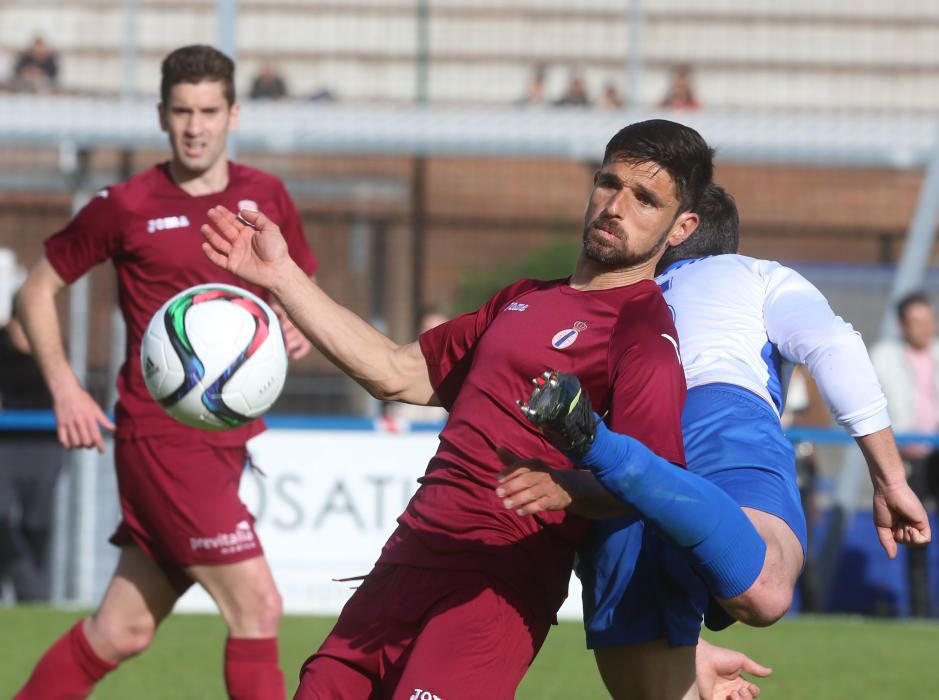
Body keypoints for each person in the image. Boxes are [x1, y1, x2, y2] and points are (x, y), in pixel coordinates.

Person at [198, 118, 757, 698]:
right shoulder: (522, 299)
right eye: (609, 183)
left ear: (681, 226)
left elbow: (654, 481)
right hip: (408, 557)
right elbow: (395, 371)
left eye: (645, 199)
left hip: (494, 585)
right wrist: (281, 276)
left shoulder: (643, 333)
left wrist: (570, 488)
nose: (616, 206)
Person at [500, 183, 930, 698]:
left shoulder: (615, 300)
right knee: (766, 590)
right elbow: (834, 344)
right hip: (720, 417)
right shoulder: (753, 274)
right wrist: (889, 477)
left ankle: (611, 457)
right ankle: (611, 455)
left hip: (626, 442)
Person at [13, 45, 319, 700]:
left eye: (209, 110)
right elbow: (33, 293)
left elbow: (298, 291)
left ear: (233, 114)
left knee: (120, 631)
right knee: (257, 607)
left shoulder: (265, 196)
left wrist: (298, 323)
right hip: (163, 439)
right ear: (161, 114)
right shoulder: (126, 204)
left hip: (228, 441)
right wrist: (65, 386)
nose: (195, 126)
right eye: (181, 111)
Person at [871, 291, 939, 617]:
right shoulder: (885, 357)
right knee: (915, 534)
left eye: (930, 321)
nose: (926, 329)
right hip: (906, 459)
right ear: (902, 325)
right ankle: (921, 612)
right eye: (917, 322)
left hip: (936, 455)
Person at [0, 311, 64, 602]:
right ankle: (29, 588)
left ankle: (34, 597)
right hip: (7, 444)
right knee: (2, 519)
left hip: (45, 444)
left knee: (37, 523)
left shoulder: (52, 350)